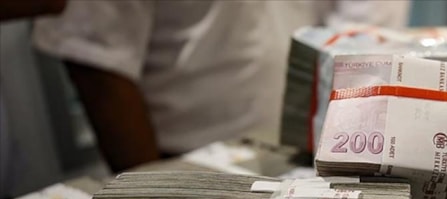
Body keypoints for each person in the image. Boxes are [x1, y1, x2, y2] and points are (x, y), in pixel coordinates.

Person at [33, 0, 410, 172]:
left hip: (304, 149)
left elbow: (351, 28)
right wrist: (151, 194)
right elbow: (97, 62)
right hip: (187, 161)